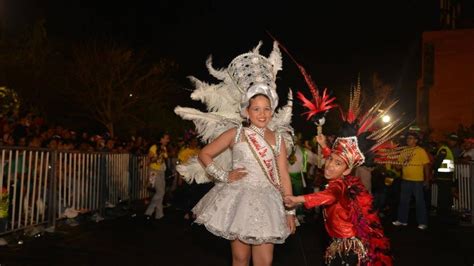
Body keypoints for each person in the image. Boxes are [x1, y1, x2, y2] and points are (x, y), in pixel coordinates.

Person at [174, 41, 296, 266]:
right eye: (256, 109)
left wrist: (290, 211)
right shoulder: (235, 133)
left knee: (264, 261)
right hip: (239, 198)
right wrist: (223, 176)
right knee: (240, 259)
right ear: (247, 112)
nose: (262, 114)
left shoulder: (278, 139)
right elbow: (204, 154)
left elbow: (284, 176)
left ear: (272, 109)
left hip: (268, 200)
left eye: (267, 108)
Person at [284, 83, 394, 265]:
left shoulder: (339, 186)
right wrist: (324, 147)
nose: (328, 166)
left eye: (336, 164)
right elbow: (336, 159)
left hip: (348, 251)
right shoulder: (344, 177)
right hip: (341, 244)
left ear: (348, 170)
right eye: (329, 160)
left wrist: (297, 200)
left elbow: (327, 196)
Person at [392, 132, 430, 230]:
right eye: (408, 138)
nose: (408, 140)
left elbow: (426, 166)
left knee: (419, 202)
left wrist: (427, 179)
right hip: (405, 180)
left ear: (416, 140)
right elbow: (399, 165)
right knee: (403, 201)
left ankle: (422, 222)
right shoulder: (404, 151)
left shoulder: (421, 151)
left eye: (411, 138)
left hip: (417, 180)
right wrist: (395, 164)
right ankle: (402, 220)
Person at [144, 132, 170, 221]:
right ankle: (149, 212)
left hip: (161, 171)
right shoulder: (154, 147)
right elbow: (148, 160)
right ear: (161, 139)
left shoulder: (164, 148)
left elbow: (165, 159)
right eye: (166, 138)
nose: (168, 140)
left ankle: (159, 214)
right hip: (153, 171)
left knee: (161, 193)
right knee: (160, 192)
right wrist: (156, 157)